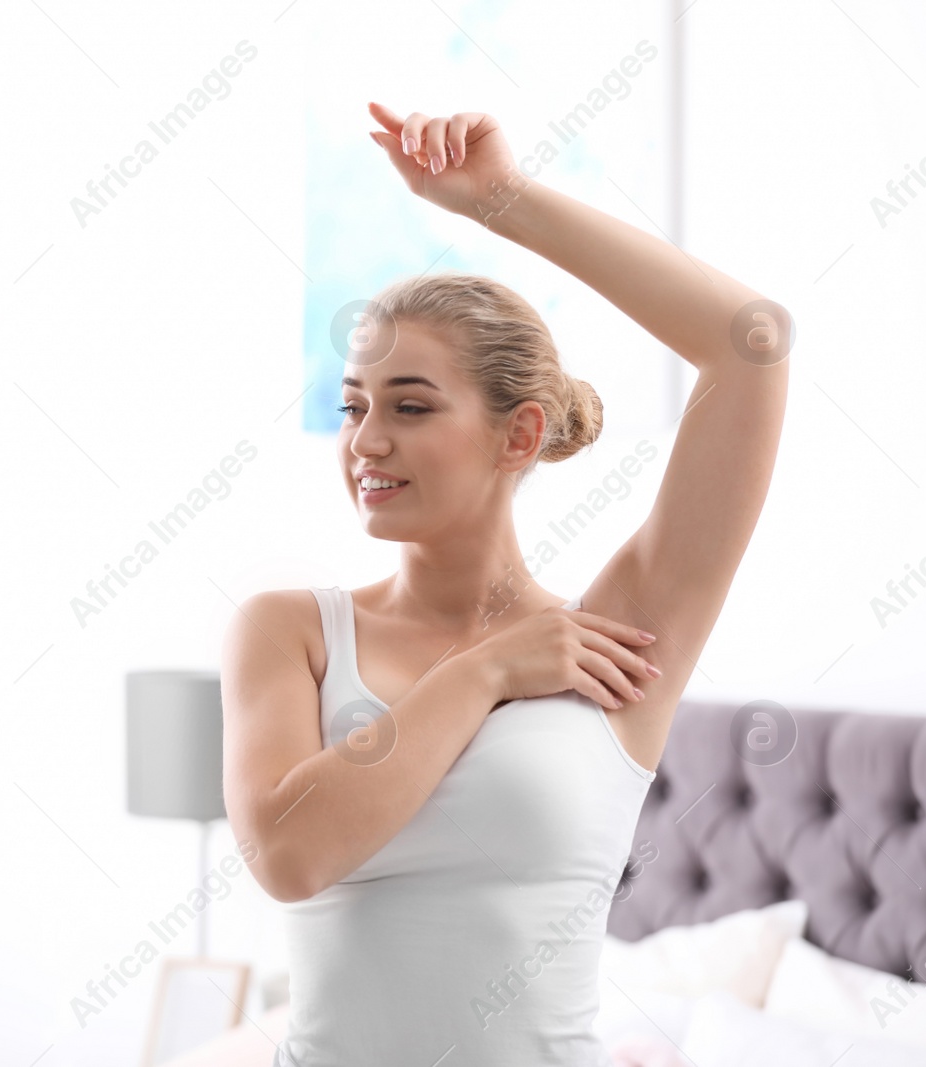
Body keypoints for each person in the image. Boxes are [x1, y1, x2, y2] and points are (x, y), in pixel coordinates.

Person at [219, 108, 791, 1066]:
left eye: (410, 405)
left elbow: (754, 341)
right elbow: (289, 854)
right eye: (354, 405)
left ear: (519, 435)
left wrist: (503, 201)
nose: (365, 440)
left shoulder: (619, 641)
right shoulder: (291, 631)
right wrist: (485, 670)